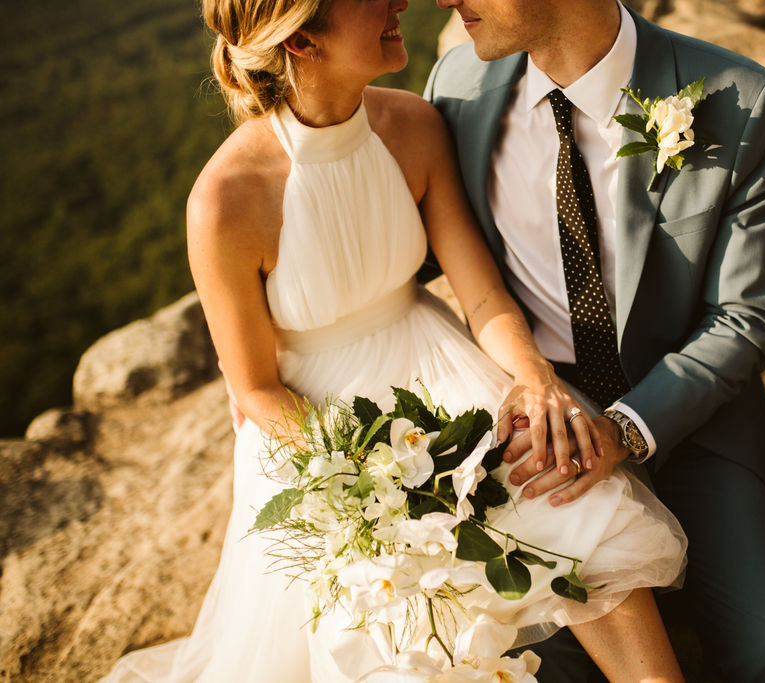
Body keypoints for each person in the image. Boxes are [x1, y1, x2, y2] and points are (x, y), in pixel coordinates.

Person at [100, 0, 688, 681]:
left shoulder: (413, 124)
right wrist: (369, 479)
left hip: (439, 372)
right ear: (301, 40)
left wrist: (533, 378)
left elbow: (481, 293)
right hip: (323, 433)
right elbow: (256, 388)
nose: (400, 1)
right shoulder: (223, 201)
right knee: (394, 622)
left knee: (567, 492)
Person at [424, 0, 765, 680]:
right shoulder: (456, 88)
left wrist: (623, 431)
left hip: (693, 423)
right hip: (537, 432)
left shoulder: (743, 102)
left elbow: (745, 316)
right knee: (537, 664)